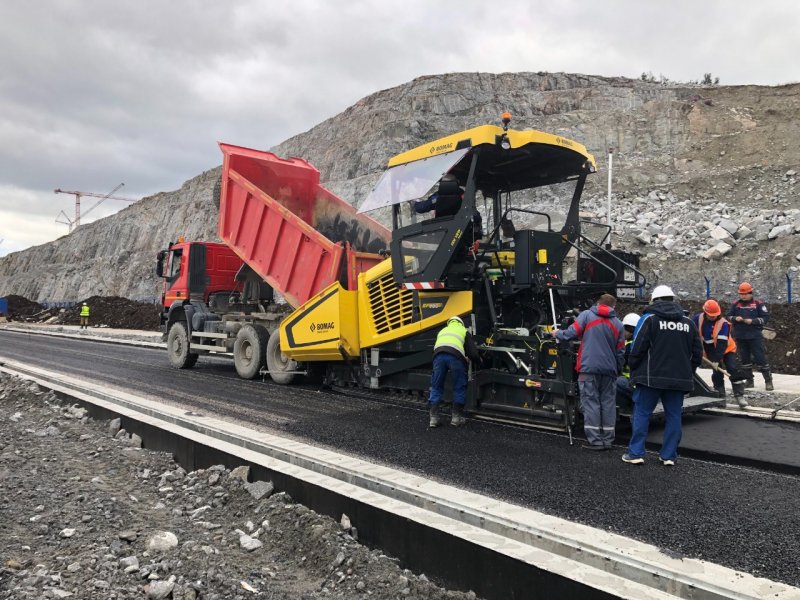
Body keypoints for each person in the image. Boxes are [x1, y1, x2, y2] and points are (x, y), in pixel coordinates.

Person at [622, 285, 702, 466]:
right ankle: (668, 456)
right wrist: (688, 372)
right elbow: (697, 353)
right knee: (674, 416)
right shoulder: (688, 323)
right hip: (678, 380)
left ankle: (636, 454)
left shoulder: (649, 319)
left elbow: (637, 348)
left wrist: (634, 369)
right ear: (672, 299)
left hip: (650, 378)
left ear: (655, 300)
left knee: (642, 413)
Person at [554, 294, 625, 450]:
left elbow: (571, 333)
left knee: (591, 403)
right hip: (609, 370)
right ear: (613, 306)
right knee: (608, 404)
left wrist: (557, 333)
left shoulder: (587, 315)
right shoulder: (618, 324)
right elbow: (620, 352)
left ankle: (595, 441)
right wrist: (617, 369)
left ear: (597, 303)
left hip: (589, 368)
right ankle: (607, 440)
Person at [692, 299, 747, 408]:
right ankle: (721, 396)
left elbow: (722, 344)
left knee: (732, 368)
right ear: (705, 313)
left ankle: (740, 396)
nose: (713, 317)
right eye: (711, 316)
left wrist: (717, 360)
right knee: (717, 372)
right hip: (710, 349)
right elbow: (691, 333)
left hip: (726, 349)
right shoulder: (697, 319)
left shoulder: (724, 324)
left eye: (715, 315)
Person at [428, 316, 481, 428]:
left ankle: (433, 419)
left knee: (436, 386)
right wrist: (479, 361)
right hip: (455, 357)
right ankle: (456, 418)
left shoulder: (442, 331)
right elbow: (472, 353)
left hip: (438, 357)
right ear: (460, 323)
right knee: (459, 386)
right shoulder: (463, 330)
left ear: (449, 323)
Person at [727, 282, 772, 391]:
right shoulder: (736, 304)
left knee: (760, 358)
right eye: (741, 294)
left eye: (746, 294)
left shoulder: (758, 304)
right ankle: (749, 380)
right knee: (745, 360)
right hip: (741, 336)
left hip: (755, 336)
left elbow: (765, 318)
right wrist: (735, 318)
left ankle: (768, 381)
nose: (743, 296)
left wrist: (753, 321)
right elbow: (728, 316)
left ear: (751, 293)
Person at [412, 173, 483, 240]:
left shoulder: (437, 197)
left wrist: (414, 203)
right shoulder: (464, 197)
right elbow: (475, 216)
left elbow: (421, 208)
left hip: (443, 234)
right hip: (458, 234)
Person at [615, 312, 640, 408]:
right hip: (640, 384)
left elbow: (618, 364)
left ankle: (625, 407)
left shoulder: (629, 346)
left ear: (630, 330)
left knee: (612, 382)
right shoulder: (640, 342)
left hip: (633, 385)